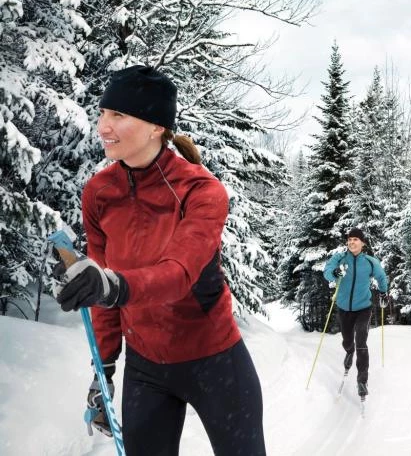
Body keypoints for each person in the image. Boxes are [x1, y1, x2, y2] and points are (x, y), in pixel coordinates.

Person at [54, 65, 266, 456]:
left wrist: (112, 286)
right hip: (146, 367)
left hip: (214, 359)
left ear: (156, 127)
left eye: (118, 114)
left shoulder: (200, 191)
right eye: (103, 113)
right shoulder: (99, 192)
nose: (103, 126)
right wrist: (104, 368)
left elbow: (179, 273)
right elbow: (102, 287)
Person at [323, 227, 388, 398]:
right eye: (350, 239)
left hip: (363, 308)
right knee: (347, 340)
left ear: (362, 243)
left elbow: (381, 277)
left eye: (355, 239)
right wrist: (334, 273)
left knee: (361, 340)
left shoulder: (370, 262)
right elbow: (327, 272)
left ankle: (362, 381)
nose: (352, 242)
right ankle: (349, 351)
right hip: (344, 308)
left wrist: (383, 293)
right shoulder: (340, 258)